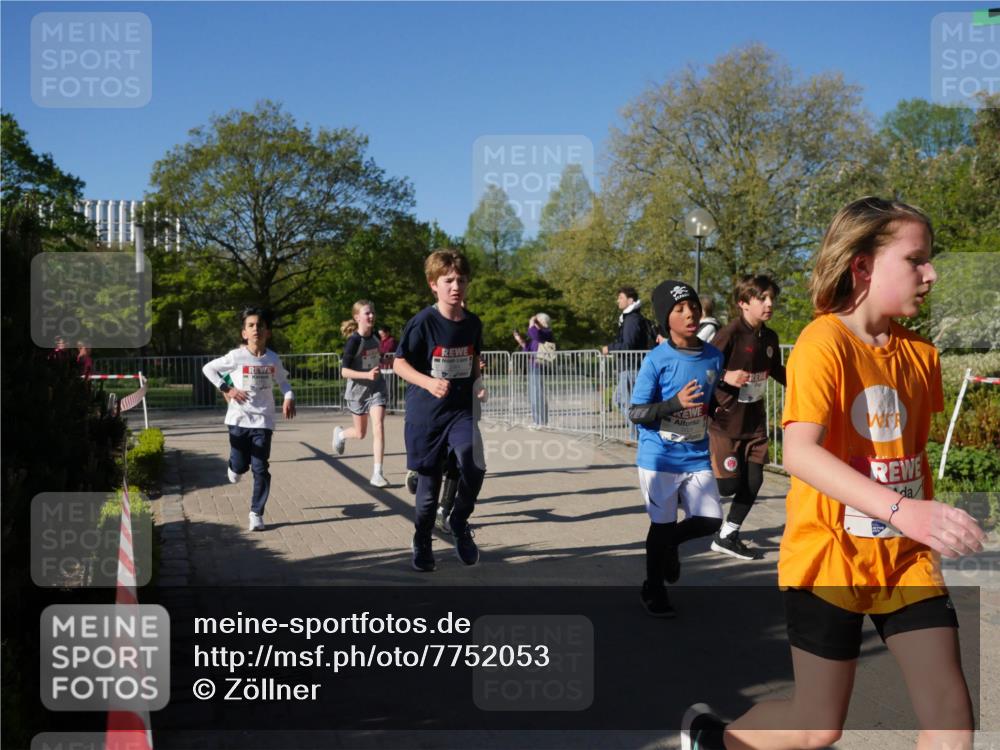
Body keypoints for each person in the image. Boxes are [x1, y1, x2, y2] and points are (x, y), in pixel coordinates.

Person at [681, 198, 986, 750]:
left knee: (951, 724)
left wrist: (927, 517)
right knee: (818, 727)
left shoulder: (921, 354)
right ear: (862, 266)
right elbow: (799, 454)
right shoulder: (824, 343)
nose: (931, 273)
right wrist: (903, 508)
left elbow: (903, 454)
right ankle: (713, 740)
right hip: (830, 557)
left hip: (905, 560)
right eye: (916, 259)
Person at [629, 280, 744, 618]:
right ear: (667, 319)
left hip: (695, 454)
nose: (690, 313)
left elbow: (709, 397)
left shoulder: (713, 355)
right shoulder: (657, 359)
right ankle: (653, 589)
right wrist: (673, 404)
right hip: (659, 456)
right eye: (680, 309)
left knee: (710, 520)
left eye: (693, 306)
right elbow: (636, 412)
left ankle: (669, 548)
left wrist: (719, 405)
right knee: (661, 525)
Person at [393, 249, 487, 572]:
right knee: (428, 493)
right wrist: (428, 382)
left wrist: (479, 383)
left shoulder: (473, 323)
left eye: (461, 280)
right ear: (434, 284)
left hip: (460, 411)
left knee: (474, 462)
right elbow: (399, 363)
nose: (455, 286)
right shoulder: (422, 322)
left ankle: (459, 520)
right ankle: (421, 538)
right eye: (448, 280)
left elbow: (474, 357)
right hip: (427, 416)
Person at [707, 276, 785, 561]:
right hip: (726, 423)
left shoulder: (770, 337)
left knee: (754, 482)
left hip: (754, 423)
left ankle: (727, 535)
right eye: (762, 298)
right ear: (743, 303)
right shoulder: (730, 333)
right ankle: (694, 474)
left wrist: (806, 385)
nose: (769, 304)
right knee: (728, 487)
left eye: (771, 299)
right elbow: (702, 367)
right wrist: (725, 375)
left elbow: (776, 369)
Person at [202, 306, 296, 532]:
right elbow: (208, 369)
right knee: (240, 465)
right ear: (244, 333)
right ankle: (233, 466)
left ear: (267, 332)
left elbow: (283, 381)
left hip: (263, 421)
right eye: (251, 326)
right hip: (238, 420)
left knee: (260, 468)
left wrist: (289, 396)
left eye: (260, 326)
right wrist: (229, 389)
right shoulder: (236, 356)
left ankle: (256, 513)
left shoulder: (273, 359)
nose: (256, 330)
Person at [333, 300, 390, 488]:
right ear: (357, 317)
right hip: (358, 392)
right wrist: (366, 374)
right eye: (367, 313)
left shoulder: (376, 338)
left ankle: (377, 473)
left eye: (373, 312)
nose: (372, 316)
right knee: (360, 433)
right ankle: (340, 435)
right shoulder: (353, 342)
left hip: (376, 389)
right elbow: (344, 372)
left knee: (379, 426)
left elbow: (376, 359)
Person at [513, 313, 554, 427]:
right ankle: (539, 421)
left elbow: (533, 333)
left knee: (537, 394)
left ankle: (540, 422)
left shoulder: (547, 332)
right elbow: (528, 348)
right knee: (534, 394)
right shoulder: (539, 335)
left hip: (539, 366)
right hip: (533, 366)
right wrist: (519, 340)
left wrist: (532, 321)